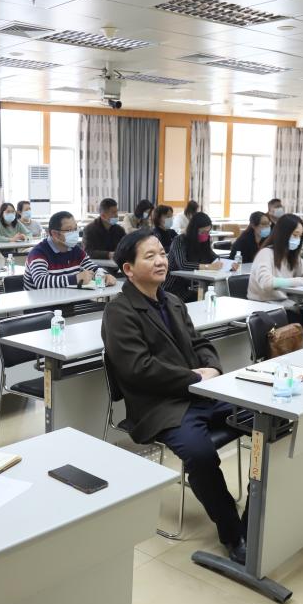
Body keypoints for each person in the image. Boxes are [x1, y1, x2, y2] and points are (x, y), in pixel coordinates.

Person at [102, 230, 248, 564]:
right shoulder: (119, 312)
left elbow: (199, 343)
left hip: (199, 393)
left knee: (266, 420)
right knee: (200, 453)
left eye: (162, 254)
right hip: (159, 405)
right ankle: (233, 533)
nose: (161, 261)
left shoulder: (172, 301)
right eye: (150, 256)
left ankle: (257, 513)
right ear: (128, 269)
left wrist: (212, 367)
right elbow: (139, 369)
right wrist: (194, 377)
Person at [247, 214, 303, 308]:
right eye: (295, 235)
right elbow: (266, 283)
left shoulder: (290, 255)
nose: (297, 239)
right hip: (264, 307)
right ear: (283, 234)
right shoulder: (266, 253)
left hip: (283, 304)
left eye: (300, 236)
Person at [24, 211, 114, 289]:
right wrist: (76, 279)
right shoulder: (38, 253)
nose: (75, 233)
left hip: (69, 299)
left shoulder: (75, 250)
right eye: (70, 230)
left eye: (75, 228)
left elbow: (92, 267)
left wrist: (105, 275)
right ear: (55, 234)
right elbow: (40, 281)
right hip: (42, 302)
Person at [164, 212, 228, 300]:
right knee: (203, 298)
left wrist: (229, 264)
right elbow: (183, 264)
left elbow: (214, 257)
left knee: (209, 297)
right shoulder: (179, 241)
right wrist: (208, 266)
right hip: (171, 288)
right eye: (202, 232)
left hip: (188, 287)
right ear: (194, 230)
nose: (205, 235)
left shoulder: (204, 241)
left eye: (208, 232)